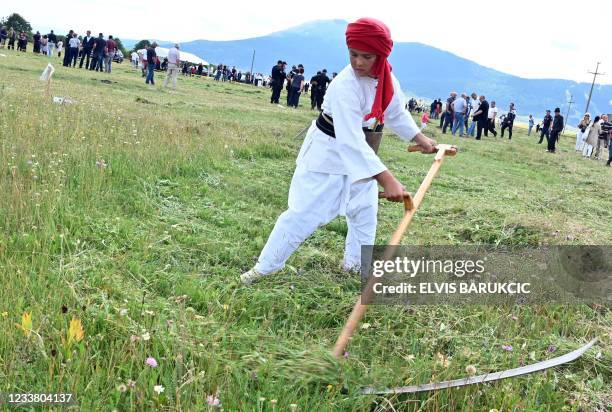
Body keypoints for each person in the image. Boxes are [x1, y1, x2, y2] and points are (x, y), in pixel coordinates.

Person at [240, 18, 438, 285]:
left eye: (366, 56)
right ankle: (264, 269)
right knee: (303, 216)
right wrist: (386, 178)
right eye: (353, 54)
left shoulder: (387, 80)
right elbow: (350, 140)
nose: (358, 62)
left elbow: (394, 112)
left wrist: (419, 137)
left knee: (364, 216)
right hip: (328, 155)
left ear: (381, 55)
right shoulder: (346, 85)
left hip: (362, 156)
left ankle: (355, 269)